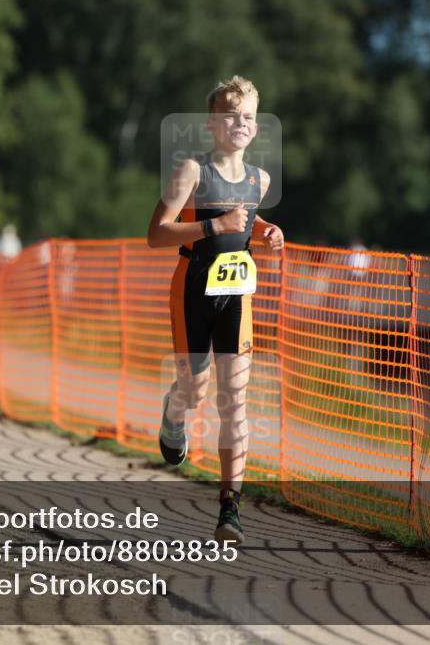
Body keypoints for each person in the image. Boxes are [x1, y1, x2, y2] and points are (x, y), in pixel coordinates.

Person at [146, 76, 284, 544]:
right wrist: (213, 226)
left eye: (248, 116)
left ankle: (231, 508)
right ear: (212, 123)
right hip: (192, 286)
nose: (240, 123)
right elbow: (157, 233)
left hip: (236, 295)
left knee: (236, 400)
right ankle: (173, 414)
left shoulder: (258, 180)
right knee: (195, 387)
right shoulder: (192, 171)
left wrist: (265, 230)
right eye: (231, 115)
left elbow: (243, 215)